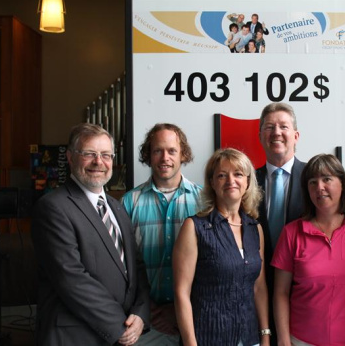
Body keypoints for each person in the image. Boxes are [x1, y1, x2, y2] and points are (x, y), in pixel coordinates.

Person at [31, 123, 150, 346]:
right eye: (89, 154)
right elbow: (71, 278)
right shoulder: (53, 207)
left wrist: (141, 314)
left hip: (118, 334)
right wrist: (118, 325)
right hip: (75, 337)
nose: (99, 162)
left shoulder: (117, 208)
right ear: (70, 157)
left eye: (106, 155)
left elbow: (138, 267)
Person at [272, 154, 345, 346]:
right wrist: (284, 340)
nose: (319, 187)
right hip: (302, 341)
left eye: (327, 179)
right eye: (312, 182)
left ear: (342, 184)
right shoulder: (292, 233)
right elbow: (281, 293)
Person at [173, 148, 270, 346]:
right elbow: (181, 293)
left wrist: (265, 335)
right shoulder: (194, 227)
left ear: (248, 182)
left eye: (238, 174)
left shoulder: (255, 229)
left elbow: (259, 288)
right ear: (212, 183)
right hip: (208, 338)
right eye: (222, 175)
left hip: (250, 338)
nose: (230, 180)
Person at [122, 123, 202, 345]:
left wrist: (180, 310)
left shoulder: (204, 201)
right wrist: (151, 310)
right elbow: (122, 267)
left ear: (183, 154)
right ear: (148, 155)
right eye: (157, 151)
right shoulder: (130, 202)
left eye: (172, 151)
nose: (164, 157)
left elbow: (212, 261)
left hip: (195, 319)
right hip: (148, 322)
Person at [256, 102, 305, 345]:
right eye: (269, 127)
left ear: (295, 136)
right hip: (256, 298)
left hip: (303, 298)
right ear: (260, 136)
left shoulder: (314, 181)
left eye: (283, 127)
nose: (276, 132)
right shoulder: (244, 182)